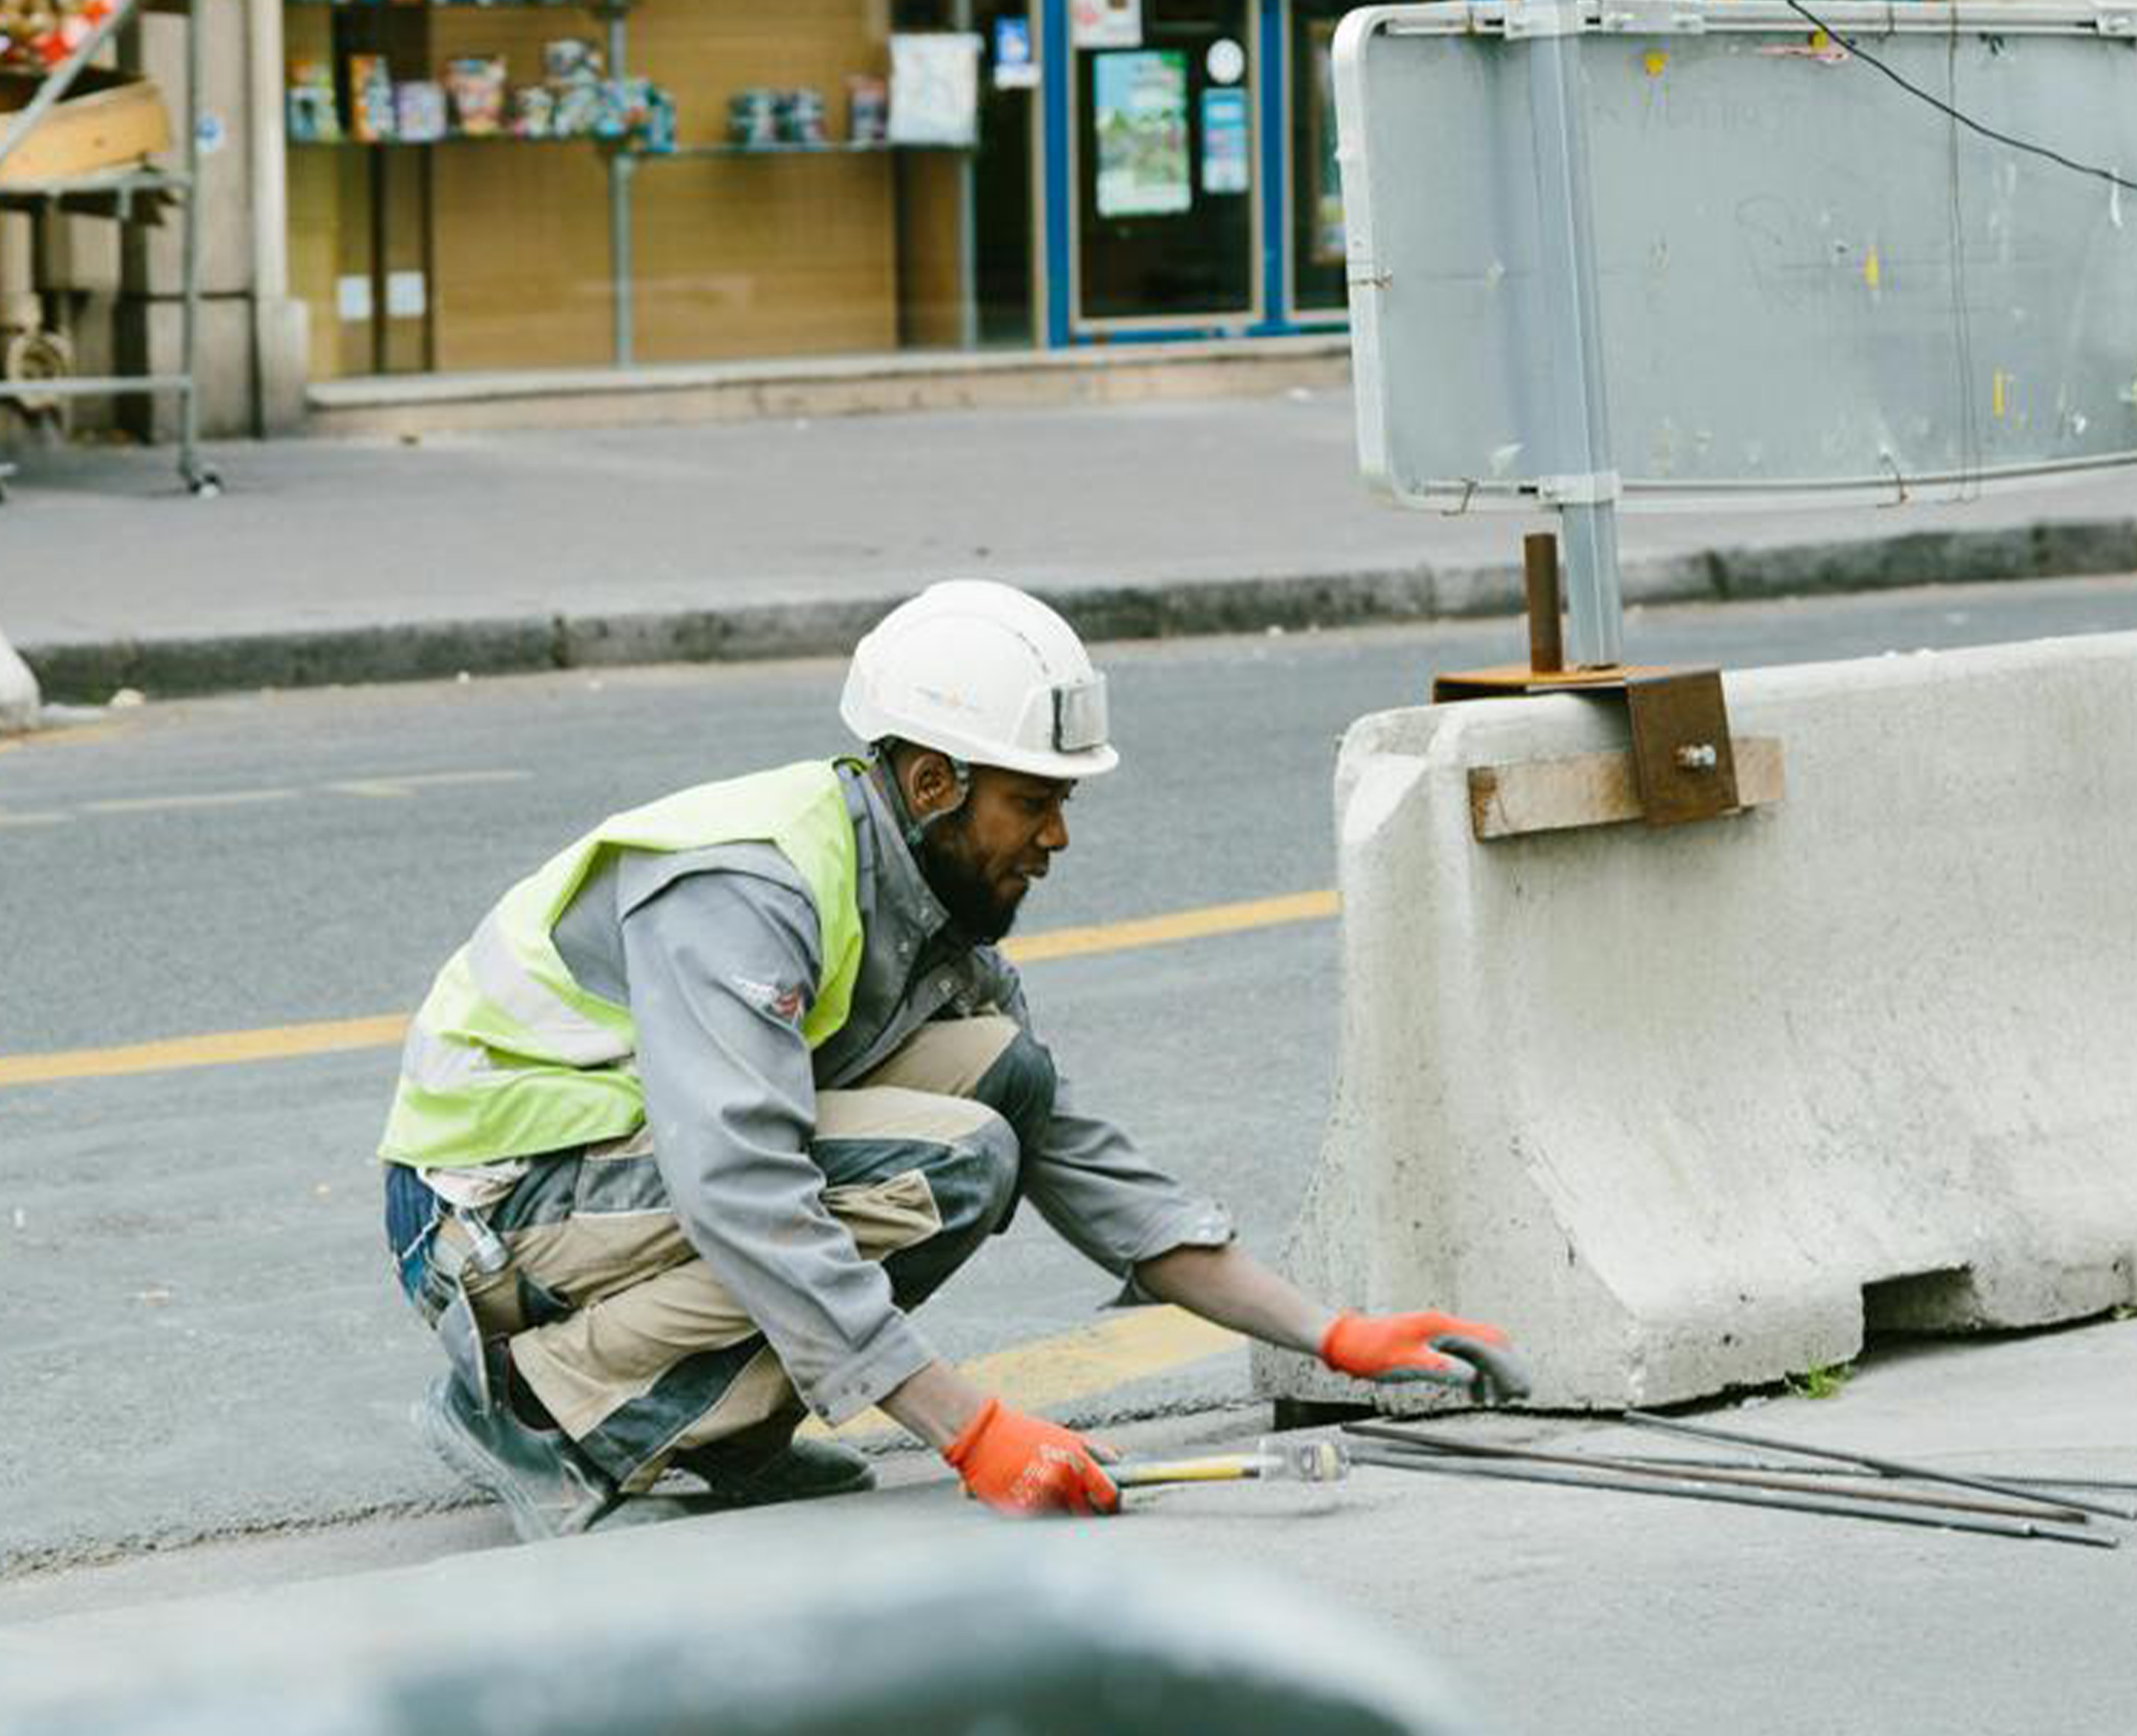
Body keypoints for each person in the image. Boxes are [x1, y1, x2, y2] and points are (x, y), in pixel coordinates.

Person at [379, 579, 1522, 1537]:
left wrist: (1330, 1331)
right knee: (955, 1160)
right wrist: (968, 1429)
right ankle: (544, 1418)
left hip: (607, 1183)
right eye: (1034, 801)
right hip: (487, 1211)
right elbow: (742, 1186)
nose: (1058, 836)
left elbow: (1081, 1157)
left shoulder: (930, 908)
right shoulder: (751, 887)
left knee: (1000, 1081)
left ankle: (718, 1433)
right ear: (933, 783)